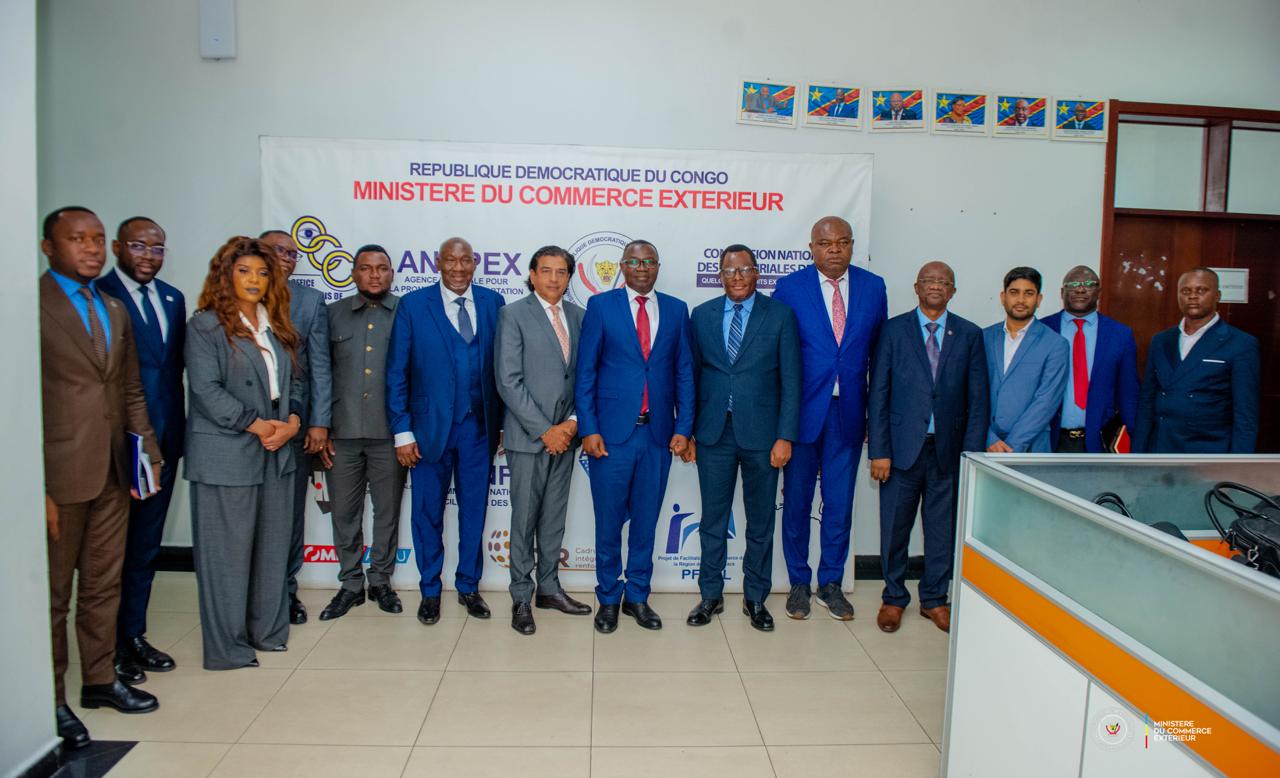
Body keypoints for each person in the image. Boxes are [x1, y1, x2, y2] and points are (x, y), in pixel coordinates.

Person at [40, 206, 162, 749]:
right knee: (52, 594)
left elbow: (130, 390)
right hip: (58, 475)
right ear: (49, 247)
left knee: (101, 582)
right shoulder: (29, 306)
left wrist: (147, 454)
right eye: (77, 239)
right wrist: (32, 484)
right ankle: (48, 699)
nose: (89, 248)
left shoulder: (113, 308)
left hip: (115, 470)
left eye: (95, 239)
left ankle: (98, 679)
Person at [184, 236, 303, 670]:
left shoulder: (278, 324)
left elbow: (297, 383)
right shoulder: (206, 326)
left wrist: (292, 423)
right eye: (244, 271)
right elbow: (206, 390)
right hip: (228, 452)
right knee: (227, 556)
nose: (254, 279)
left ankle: (266, 632)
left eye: (262, 272)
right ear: (225, 275)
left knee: (272, 548)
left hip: (277, 449)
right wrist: (258, 425)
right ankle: (227, 647)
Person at [576, 239, 694, 633]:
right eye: (634, 262)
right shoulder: (601, 307)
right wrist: (589, 428)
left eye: (648, 262)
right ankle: (609, 598)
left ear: (658, 266)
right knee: (609, 523)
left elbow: (684, 373)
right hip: (610, 436)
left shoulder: (676, 309)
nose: (642, 268)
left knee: (646, 522)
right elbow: (586, 372)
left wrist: (683, 428)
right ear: (622, 267)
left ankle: (638, 596)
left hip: (657, 435)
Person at [773, 216, 887, 621]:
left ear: (852, 245)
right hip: (802, 412)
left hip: (849, 412)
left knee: (839, 503)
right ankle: (798, 582)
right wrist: (782, 421)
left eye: (842, 242)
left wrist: (875, 415)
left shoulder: (873, 287)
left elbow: (880, 357)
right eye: (825, 243)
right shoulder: (790, 288)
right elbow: (779, 355)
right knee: (797, 501)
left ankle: (831, 584)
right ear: (812, 248)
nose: (834, 249)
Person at [387, 237, 505, 625]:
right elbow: (397, 373)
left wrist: (503, 425)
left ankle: (468, 585)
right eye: (450, 260)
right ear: (438, 263)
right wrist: (403, 432)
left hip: (479, 430)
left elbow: (503, 369)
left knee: (474, 512)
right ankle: (430, 590)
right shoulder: (413, 305)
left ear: (475, 263)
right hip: (427, 431)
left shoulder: (492, 303)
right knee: (427, 513)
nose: (458, 268)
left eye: (465, 260)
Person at [685, 245, 800, 633]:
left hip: (764, 436)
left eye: (745, 269)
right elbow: (691, 377)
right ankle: (710, 595)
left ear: (757, 274)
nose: (737, 277)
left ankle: (756, 598)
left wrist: (785, 436)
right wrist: (689, 431)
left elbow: (792, 381)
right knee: (713, 520)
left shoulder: (780, 315)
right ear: (720, 275)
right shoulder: (701, 315)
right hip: (713, 433)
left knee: (760, 522)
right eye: (730, 271)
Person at [868, 262, 988, 634]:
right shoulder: (893, 331)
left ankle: (935, 599)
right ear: (917, 287)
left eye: (944, 282)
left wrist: (970, 456)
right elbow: (879, 393)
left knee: (941, 531)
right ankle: (893, 597)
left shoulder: (969, 334)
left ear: (953, 291)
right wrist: (879, 450)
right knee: (894, 528)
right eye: (929, 281)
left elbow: (978, 401)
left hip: (948, 452)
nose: (936, 286)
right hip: (901, 452)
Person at [96, 216, 185, 683]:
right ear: (117, 248)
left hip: (164, 444)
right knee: (110, 553)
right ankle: (105, 650)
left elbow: (172, 371)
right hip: (118, 446)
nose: (149, 255)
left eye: (158, 248)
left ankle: (133, 636)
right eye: (139, 246)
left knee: (145, 547)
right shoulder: (99, 295)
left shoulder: (172, 298)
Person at [495, 246, 592, 635]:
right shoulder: (513, 315)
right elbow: (508, 381)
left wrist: (571, 424)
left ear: (569, 277)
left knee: (553, 519)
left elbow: (586, 378)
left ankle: (549, 589)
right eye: (546, 271)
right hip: (529, 438)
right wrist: (545, 430)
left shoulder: (580, 317)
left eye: (561, 272)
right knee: (524, 521)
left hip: (566, 438)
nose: (554, 278)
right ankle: (521, 595)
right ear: (532, 275)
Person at [316, 245, 407, 620]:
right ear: (353, 273)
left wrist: (407, 431)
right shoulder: (332, 314)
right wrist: (321, 426)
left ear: (391, 274)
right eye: (366, 268)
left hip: (389, 433)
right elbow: (320, 372)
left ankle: (381, 580)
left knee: (387, 512)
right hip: (342, 432)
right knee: (344, 513)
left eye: (382, 268)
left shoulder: (406, 312)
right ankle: (351, 583)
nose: (374, 275)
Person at [259, 229, 332, 626]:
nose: (286, 258)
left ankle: (285, 592)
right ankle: (251, 592)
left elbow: (319, 366)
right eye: (278, 251)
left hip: (294, 423)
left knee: (289, 515)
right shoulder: (234, 299)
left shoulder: (309, 300)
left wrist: (318, 422)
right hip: (243, 428)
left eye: (292, 253)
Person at [1133, 267, 1259, 453]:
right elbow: (1147, 401)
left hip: (1208, 450)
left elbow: (1245, 415)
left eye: (1201, 290)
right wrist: (1137, 454)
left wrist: (1238, 464)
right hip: (1161, 447)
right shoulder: (1161, 341)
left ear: (1217, 295)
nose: (1192, 296)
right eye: (1185, 291)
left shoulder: (1240, 343)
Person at [1040, 266, 1139, 453]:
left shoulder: (1120, 335)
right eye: (1073, 284)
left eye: (1088, 284)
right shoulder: (1042, 329)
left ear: (1099, 292)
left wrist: (1135, 444)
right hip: (1049, 439)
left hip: (1100, 441)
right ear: (1062, 292)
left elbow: (1128, 393)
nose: (1080, 289)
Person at [983, 267, 1069, 453]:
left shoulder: (1056, 344)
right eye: (1014, 292)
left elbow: (1046, 401)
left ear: (1039, 299)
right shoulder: (983, 338)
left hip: (1031, 448)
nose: (1021, 300)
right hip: (986, 447)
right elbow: (972, 393)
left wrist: (1013, 446)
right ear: (1003, 297)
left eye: (1028, 293)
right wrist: (989, 438)